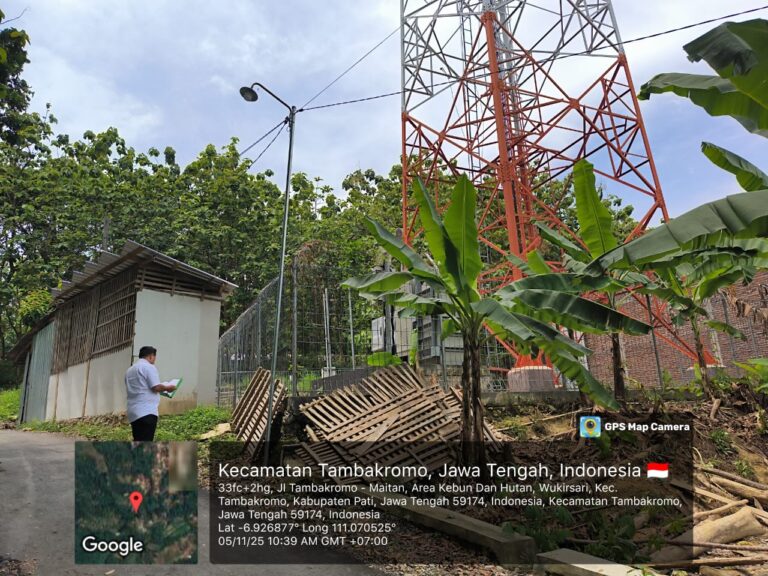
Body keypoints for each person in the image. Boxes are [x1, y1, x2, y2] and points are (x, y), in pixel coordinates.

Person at [125, 346, 176, 441]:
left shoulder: (130, 370)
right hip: (146, 411)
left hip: (133, 412)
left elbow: (142, 388)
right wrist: (168, 387)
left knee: (138, 441)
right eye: (154, 357)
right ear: (151, 356)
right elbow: (156, 387)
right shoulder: (149, 367)